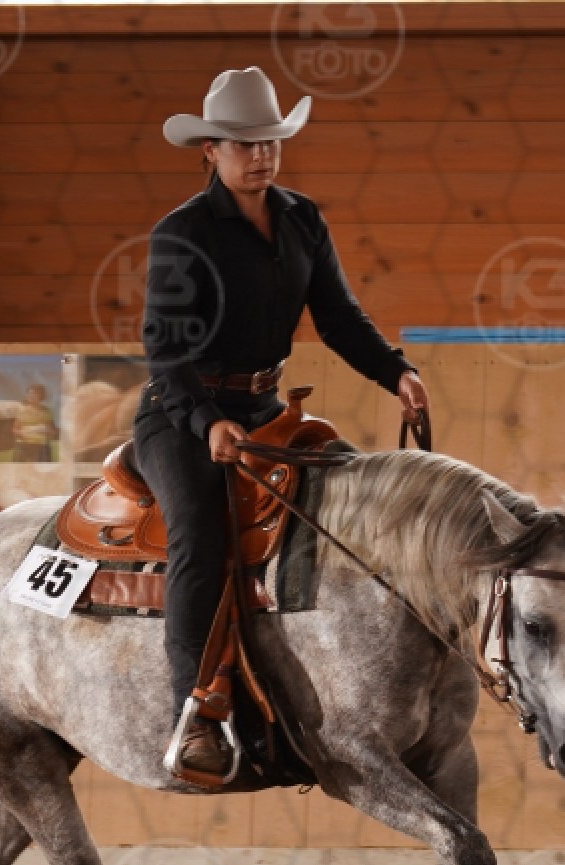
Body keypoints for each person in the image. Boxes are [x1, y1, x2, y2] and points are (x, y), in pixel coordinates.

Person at [134, 66, 430, 777]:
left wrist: (396, 372)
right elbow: (165, 349)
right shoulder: (182, 233)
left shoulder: (302, 219)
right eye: (243, 143)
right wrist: (207, 420)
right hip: (181, 415)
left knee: (354, 494)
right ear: (210, 149)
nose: (260, 154)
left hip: (267, 411)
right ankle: (195, 714)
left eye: (270, 141)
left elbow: (338, 317)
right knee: (201, 533)